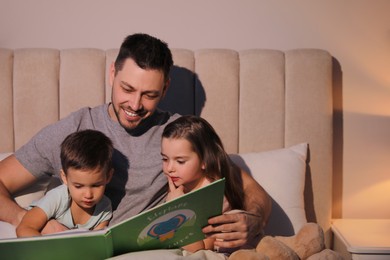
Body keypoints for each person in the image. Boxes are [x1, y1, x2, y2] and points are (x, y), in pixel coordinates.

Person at [0, 33, 271, 252]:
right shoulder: (75, 128)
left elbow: (247, 186)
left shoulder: (177, 135)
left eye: (149, 95)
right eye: (127, 89)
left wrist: (255, 219)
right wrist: (32, 221)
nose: (134, 105)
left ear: (165, 89)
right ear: (111, 75)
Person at [161, 115, 248, 254]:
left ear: (204, 161)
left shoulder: (213, 196)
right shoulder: (178, 184)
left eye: (180, 161)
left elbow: (199, 250)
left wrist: (175, 209)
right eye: (165, 159)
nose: (170, 168)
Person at [16, 129, 114, 237]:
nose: (88, 194)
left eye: (96, 185)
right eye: (78, 186)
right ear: (64, 178)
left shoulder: (104, 208)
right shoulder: (57, 198)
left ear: (108, 176)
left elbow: (98, 242)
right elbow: (24, 228)